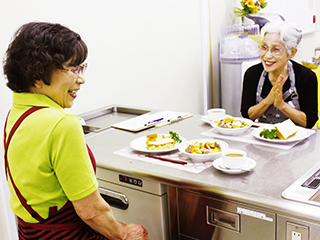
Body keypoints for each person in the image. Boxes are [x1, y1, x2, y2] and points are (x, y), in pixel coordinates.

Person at [3, 22, 150, 239]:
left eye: (82, 67)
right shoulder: (61, 124)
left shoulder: (15, 115)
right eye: (73, 69)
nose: (81, 79)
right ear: (37, 75)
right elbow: (90, 211)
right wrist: (125, 233)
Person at [241, 19, 318, 128]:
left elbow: (310, 121)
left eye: (275, 49)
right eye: (264, 47)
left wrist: (282, 105)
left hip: (296, 140)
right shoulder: (252, 74)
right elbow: (247, 115)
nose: (267, 56)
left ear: (291, 53)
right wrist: (268, 100)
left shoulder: (306, 77)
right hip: (262, 137)